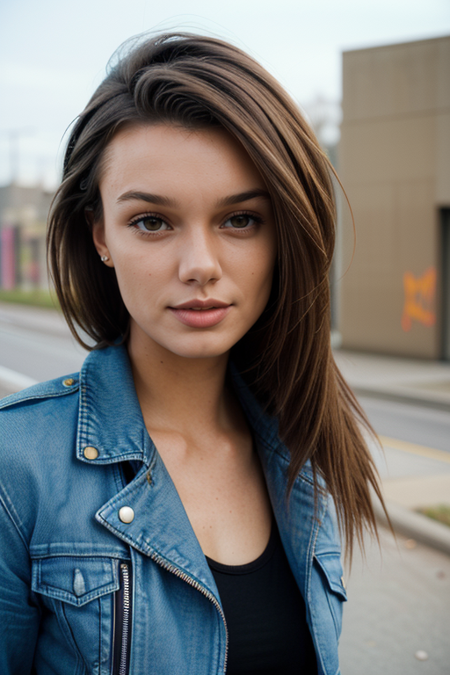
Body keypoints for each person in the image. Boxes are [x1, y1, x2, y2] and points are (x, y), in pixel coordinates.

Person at [0, 32, 386, 675]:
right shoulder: (17, 469)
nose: (200, 266)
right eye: (152, 221)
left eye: (240, 220)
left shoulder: (304, 446)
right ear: (100, 235)